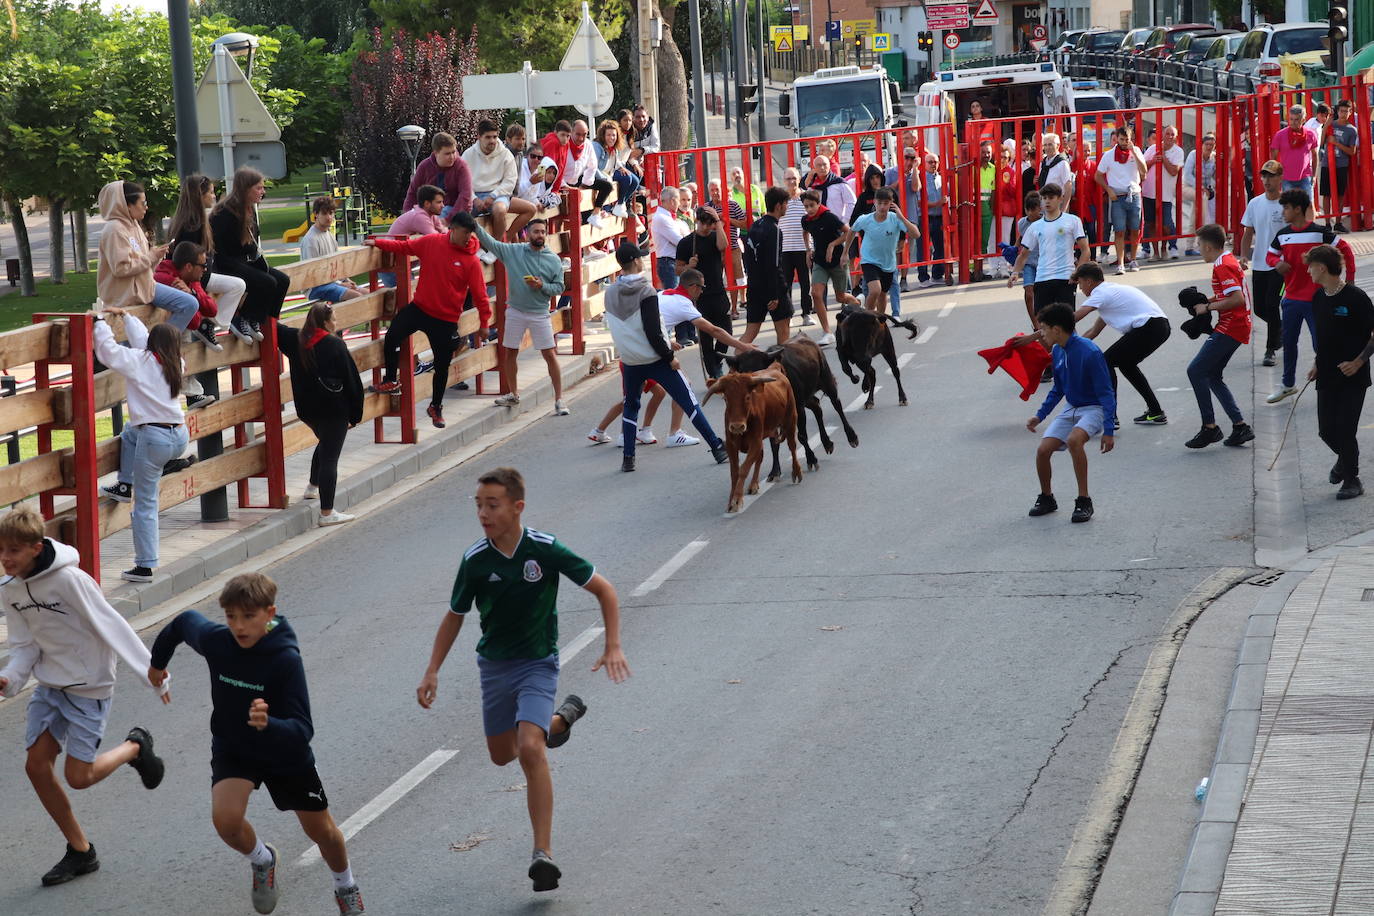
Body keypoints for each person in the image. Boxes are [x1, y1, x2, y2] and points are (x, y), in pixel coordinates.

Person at [416, 467, 629, 892]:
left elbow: (604, 589)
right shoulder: (475, 560)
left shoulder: (544, 550)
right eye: (478, 505)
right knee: (501, 754)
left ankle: (542, 855)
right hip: (494, 667)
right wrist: (433, 668)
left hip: (537, 663)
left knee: (530, 748)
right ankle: (560, 721)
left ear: (517, 507)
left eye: (492, 505)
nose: (483, 513)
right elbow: (455, 615)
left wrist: (613, 645)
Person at [148, 573, 364, 915]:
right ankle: (263, 860)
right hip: (235, 748)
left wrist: (269, 724)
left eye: (248, 616)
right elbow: (183, 623)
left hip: (286, 754)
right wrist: (157, 664)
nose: (238, 626)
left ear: (269, 613)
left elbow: (302, 727)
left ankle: (345, 885)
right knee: (226, 821)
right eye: (231, 616)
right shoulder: (218, 641)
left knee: (322, 831)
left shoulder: (285, 659)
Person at [0, 504, 167, 887]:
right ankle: (80, 850)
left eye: (13, 550)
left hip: (89, 685)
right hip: (50, 686)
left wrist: (153, 674)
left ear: (36, 547)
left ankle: (135, 747)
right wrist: (9, 678)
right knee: (36, 766)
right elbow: (24, 646)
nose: (5, 558)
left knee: (79, 777)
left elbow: (110, 624)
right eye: (1, 550)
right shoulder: (10, 591)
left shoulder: (70, 580)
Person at [590, 267, 760, 449]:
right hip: (648, 355)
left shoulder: (664, 294)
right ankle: (674, 433)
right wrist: (743, 346)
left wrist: (667, 342)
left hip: (633, 352)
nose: (702, 291)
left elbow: (653, 325)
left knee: (643, 396)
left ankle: (632, 431)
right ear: (693, 287)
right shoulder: (682, 304)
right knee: (673, 389)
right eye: (701, 288)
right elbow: (713, 330)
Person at [606, 242, 731, 471]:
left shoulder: (610, 291)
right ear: (636, 261)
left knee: (631, 404)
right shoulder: (646, 291)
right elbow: (653, 330)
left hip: (629, 358)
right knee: (688, 399)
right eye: (641, 258)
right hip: (654, 357)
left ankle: (628, 457)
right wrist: (668, 356)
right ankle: (716, 446)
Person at [365, 211, 491, 428]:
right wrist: (377, 243)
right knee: (393, 335)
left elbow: (481, 296)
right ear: (452, 229)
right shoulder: (431, 242)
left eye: (471, 234)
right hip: (420, 309)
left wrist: (484, 323)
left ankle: (436, 407)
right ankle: (391, 380)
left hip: (445, 319)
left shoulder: (471, 261)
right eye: (464, 233)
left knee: (442, 367)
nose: (468, 238)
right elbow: (404, 248)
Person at [94, 308, 190, 582]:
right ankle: (124, 484)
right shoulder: (176, 363)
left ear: (152, 344)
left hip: (155, 440)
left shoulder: (140, 361)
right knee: (129, 430)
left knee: (146, 503)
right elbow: (142, 340)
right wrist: (126, 316)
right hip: (177, 435)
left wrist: (100, 322)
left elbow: (108, 352)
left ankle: (145, 565)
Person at [1026, 302, 1116, 524]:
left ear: (1057, 329)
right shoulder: (1057, 350)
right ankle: (1047, 498)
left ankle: (1084, 500)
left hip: (1093, 407)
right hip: (1071, 408)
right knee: (1043, 450)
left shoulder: (1090, 352)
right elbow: (1058, 388)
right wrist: (1040, 415)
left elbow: (1106, 393)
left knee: (1075, 441)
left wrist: (1109, 429)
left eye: (1044, 329)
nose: (1041, 334)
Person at [1265, 188, 1356, 403]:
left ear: (1298, 209)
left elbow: (1346, 249)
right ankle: (1288, 385)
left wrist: (1350, 280)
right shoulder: (1283, 234)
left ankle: (1330, 382)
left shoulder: (1319, 232)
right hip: (1290, 300)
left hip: (1317, 301)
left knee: (1321, 344)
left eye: (1286, 208)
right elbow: (1270, 255)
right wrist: (1277, 263)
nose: (1283, 212)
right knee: (1289, 343)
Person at [277, 303, 363, 524]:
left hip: (307, 410)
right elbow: (353, 382)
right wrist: (355, 415)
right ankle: (327, 512)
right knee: (330, 458)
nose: (336, 323)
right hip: (334, 409)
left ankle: (312, 486)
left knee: (326, 443)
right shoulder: (335, 345)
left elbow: (273, 327)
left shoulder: (295, 339)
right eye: (334, 319)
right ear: (325, 322)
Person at [474, 219, 568, 415]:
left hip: (540, 313)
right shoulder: (514, 251)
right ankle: (513, 394)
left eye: (543, 231)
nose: (540, 235)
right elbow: (492, 243)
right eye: (536, 231)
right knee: (510, 352)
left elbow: (559, 287)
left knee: (549, 354)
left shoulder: (553, 259)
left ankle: (560, 399)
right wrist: (475, 227)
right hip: (515, 310)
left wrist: (542, 286)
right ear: (527, 234)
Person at [1306, 244, 1374, 499]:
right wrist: (1316, 363)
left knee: (1345, 430)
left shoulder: (1355, 298)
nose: (1308, 272)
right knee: (1326, 431)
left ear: (1322, 268)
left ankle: (1352, 479)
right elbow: (1324, 338)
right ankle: (1345, 461)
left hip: (1352, 376)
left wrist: (1358, 362)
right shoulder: (1318, 297)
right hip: (1326, 373)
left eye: (1310, 267)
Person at [1071, 261, 1171, 426]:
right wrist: (1068, 348)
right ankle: (1155, 412)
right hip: (1159, 327)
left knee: (1105, 361)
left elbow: (1073, 318)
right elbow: (1093, 332)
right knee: (1127, 365)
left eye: (1080, 283)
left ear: (1088, 281)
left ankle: (1110, 416)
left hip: (1149, 327)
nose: (1080, 288)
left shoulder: (1101, 294)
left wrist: (1041, 334)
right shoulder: (1110, 293)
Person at [1185, 224, 1254, 449]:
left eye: (1199, 245)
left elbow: (1236, 299)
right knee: (1213, 375)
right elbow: (1231, 294)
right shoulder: (1227, 260)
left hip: (1231, 326)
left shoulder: (1222, 266)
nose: (1199, 249)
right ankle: (1240, 426)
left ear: (1207, 246)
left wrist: (1208, 308)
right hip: (1237, 325)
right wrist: (1210, 301)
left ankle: (1209, 427)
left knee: (1195, 370)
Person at [96, 180, 199, 332]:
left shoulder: (134, 225)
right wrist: (151, 256)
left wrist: (156, 256)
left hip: (145, 288)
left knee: (189, 304)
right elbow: (121, 268)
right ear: (127, 205)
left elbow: (143, 264)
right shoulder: (114, 229)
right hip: (124, 295)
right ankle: (159, 345)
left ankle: (161, 343)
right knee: (129, 345)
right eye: (143, 203)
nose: (146, 207)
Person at [210, 167, 290, 344]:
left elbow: (251, 243)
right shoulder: (225, 212)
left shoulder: (249, 209)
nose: (263, 192)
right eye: (259, 188)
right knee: (267, 282)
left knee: (282, 280)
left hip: (243, 260)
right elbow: (223, 249)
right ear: (245, 188)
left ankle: (262, 321)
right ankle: (242, 319)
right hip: (226, 262)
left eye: (263, 187)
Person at [167, 173, 246, 335]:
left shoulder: (191, 220)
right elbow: (189, 260)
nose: (213, 196)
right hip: (195, 277)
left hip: (200, 274)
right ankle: (211, 324)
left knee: (238, 284)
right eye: (210, 192)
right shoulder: (193, 224)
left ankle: (212, 324)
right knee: (238, 285)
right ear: (199, 196)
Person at [1009, 182, 1088, 314]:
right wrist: (1015, 272)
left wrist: (1077, 273)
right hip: (1042, 279)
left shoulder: (1073, 221)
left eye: (1051, 198)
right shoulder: (1034, 227)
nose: (1047, 201)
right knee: (1044, 326)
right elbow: (1023, 254)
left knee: (1065, 324)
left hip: (1065, 278)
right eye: (1044, 198)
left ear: (1061, 198)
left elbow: (1085, 250)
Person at [1239, 160, 1287, 367]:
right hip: (1259, 263)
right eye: (1264, 176)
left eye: (1271, 176)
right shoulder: (1254, 203)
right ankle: (1282, 330)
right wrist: (1243, 256)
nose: (1267, 180)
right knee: (1259, 308)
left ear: (1279, 178)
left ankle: (1270, 350)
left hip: (1280, 265)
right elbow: (1247, 232)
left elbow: (1296, 233)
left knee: (1271, 304)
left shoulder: (1288, 203)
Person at [675, 206, 733, 377]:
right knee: (706, 337)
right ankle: (713, 371)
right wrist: (688, 266)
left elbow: (724, 246)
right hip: (699, 295)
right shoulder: (686, 243)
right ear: (697, 221)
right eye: (703, 223)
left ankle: (716, 361)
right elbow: (677, 269)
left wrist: (718, 223)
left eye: (710, 224)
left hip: (718, 290)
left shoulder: (716, 237)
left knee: (726, 331)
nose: (706, 227)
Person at [464, 118, 535, 244]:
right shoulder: (468, 155)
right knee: (458, 215)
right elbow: (463, 182)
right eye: (488, 137)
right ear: (479, 137)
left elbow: (510, 181)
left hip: (498, 195)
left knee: (503, 209)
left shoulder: (505, 154)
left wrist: (493, 196)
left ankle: (497, 245)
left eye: (495, 137)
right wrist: (474, 199)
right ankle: (470, 248)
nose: (492, 141)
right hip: (474, 196)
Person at [801, 189, 857, 347]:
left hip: (837, 261)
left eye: (812, 205)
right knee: (816, 294)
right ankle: (827, 332)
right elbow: (805, 233)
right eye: (806, 206)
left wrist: (832, 245)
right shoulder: (805, 220)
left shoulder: (829, 217)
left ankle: (858, 306)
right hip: (819, 261)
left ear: (819, 204)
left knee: (840, 297)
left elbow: (848, 233)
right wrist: (808, 250)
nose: (809, 209)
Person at [852, 188, 921, 315]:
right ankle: (868, 317)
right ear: (874, 202)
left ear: (891, 203)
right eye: (879, 203)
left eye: (886, 203)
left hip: (888, 263)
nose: (882, 207)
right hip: (869, 260)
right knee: (875, 290)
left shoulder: (895, 218)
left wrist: (902, 217)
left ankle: (880, 320)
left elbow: (916, 234)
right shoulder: (865, 219)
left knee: (883, 294)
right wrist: (845, 253)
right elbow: (852, 230)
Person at [741, 187, 793, 343]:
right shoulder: (774, 229)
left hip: (754, 286)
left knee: (750, 332)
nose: (787, 207)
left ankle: (735, 364)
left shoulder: (755, 226)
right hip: (773, 287)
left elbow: (750, 259)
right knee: (783, 332)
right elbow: (774, 264)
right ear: (779, 206)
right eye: (786, 203)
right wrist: (774, 294)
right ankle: (781, 366)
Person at [154, 241, 223, 356]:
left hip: (173, 337)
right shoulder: (169, 280)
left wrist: (193, 294)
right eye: (203, 266)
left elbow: (212, 310)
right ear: (189, 267)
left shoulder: (191, 280)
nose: (205, 269)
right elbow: (195, 323)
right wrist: (191, 296)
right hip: (160, 343)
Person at [1096, 126, 1147, 274]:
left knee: (1135, 229)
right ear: (1117, 139)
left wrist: (1135, 152)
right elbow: (1098, 175)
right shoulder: (1109, 155)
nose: (1125, 142)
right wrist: (1109, 189)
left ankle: (1133, 259)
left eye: (1127, 139)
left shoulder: (1136, 151)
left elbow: (1144, 171)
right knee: (1119, 231)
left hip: (1134, 194)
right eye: (1122, 139)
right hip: (1117, 196)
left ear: (1131, 139)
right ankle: (1120, 263)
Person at [379, 183, 447, 288]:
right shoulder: (419, 217)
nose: (443, 205)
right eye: (439, 202)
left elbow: (444, 233)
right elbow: (438, 239)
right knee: (404, 300)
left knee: (410, 297)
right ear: (427, 204)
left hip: (401, 264)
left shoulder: (430, 216)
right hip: (394, 267)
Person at [299, 197, 363, 303]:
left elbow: (336, 265)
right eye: (324, 213)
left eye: (331, 213)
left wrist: (347, 280)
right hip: (315, 288)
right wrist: (341, 284)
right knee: (357, 296)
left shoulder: (330, 236)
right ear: (316, 214)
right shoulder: (310, 240)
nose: (329, 217)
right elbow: (313, 275)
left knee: (366, 293)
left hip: (332, 283)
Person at [403, 131, 473, 220]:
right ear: (436, 153)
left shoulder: (461, 166)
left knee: (443, 212)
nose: (452, 157)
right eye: (447, 154)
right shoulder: (424, 167)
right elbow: (413, 193)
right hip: (429, 211)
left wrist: (448, 220)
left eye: (453, 152)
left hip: (454, 210)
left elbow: (465, 195)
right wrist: (407, 215)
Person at [1141, 126, 1185, 260]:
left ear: (1176, 137)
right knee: (1151, 223)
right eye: (1168, 133)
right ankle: (1155, 252)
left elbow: (1173, 171)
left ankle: (1165, 248)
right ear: (1163, 135)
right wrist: (1153, 160)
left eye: (1173, 134)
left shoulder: (1178, 151)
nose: (1170, 136)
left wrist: (1163, 157)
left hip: (1165, 193)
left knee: (1166, 223)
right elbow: (1141, 168)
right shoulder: (1151, 149)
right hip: (1148, 191)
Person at [706, 178, 748, 317]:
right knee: (715, 280)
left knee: (734, 279)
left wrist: (727, 219)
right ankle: (720, 309)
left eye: (717, 189)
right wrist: (717, 221)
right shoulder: (707, 208)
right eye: (712, 190)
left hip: (733, 248)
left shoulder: (733, 205)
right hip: (714, 249)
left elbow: (744, 224)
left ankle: (734, 309)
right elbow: (702, 227)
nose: (715, 192)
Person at [563, 120, 615, 229]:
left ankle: (595, 214)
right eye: (578, 134)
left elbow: (592, 166)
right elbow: (555, 167)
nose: (581, 138)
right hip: (562, 183)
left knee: (607, 186)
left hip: (579, 180)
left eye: (584, 134)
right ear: (571, 132)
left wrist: (585, 184)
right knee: (564, 215)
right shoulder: (563, 144)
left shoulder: (587, 144)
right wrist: (563, 185)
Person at [778, 168, 813, 325]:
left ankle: (807, 314)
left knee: (806, 283)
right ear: (784, 180)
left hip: (803, 248)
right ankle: (788, 315)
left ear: (799, 179)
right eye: (788, 178)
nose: (791, 181)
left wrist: (810, 248)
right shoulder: (780, 199)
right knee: (786, 284)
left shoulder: (806, 197)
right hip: (785, 249)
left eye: (794, 178)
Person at [1321, 100, 1358, 233]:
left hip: (1341, 165)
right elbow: (1321, 141)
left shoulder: (1352, 130)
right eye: (1341, 111)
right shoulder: (1331, 124)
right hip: (1327, 163)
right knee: (1326, 194)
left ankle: (1337, 222)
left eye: (1346, 111)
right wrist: (1326, 125)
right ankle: (1326, 223)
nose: (1343, 114)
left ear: (1350, 112)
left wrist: (1336, 143)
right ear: (1337, 111)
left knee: (1340, 194)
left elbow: (1352, 152)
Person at [592, 119, 639, 221]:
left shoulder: (614, 149)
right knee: (626, 178)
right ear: (603, 135)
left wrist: (621, 167)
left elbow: (615, 162)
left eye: (614, 135)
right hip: (599, 177)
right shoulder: (597, 147)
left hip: (609, 175)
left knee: (634, 180)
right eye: (608, 135)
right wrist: (606, 178)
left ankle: (620, 204)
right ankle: (615, 206)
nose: (611, 138)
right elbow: (593, 167)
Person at [1269, 104, 1319, 196]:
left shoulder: (1311, 134)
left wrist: (1314, 176)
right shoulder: (1280, 135)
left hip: (1305, 177)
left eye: (1296, 120)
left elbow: (1315, 155)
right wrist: (1276, 176)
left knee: (1308, 207)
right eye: (1291, 119)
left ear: (1303, 120)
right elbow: (1273, 158)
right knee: (1289, 208)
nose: (1293, 122)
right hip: (1286, 178)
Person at [914, 152, 946, 288]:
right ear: (924, 164)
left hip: (939, 217)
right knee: (922, 248)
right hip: (924, 218)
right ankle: (923, 277)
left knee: (940, 247)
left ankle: (937, 275)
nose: (934, 164)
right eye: (930, 162)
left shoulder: (940, 178)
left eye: (936, 162)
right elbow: (919, 202)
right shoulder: (921, 178)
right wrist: (938, 203)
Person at [1182, 133, 1217, 255]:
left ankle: (1190, 246)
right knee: (1202, 204)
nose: (1209, 147)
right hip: (1188, 187)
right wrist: (1201, 188)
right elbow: (1187, 175)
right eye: (1207, 144)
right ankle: (1201, 239)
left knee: (1196, 212)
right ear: (1201, 145)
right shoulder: (1194, 154)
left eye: (1212, 145)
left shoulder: (1214, 157)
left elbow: (1216, 177)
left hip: (1204, 191)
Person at [1015, 192, 1043, 329]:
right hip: (1029, 263)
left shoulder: (1046, 222)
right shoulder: (1022, 223)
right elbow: (1021, 238)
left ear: (1040, 208)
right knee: (1029, 291)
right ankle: (1035, 323)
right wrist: (1013, 249)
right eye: (1028, 209)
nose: (1031, 212)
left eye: (1034, 209)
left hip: (1044, 263)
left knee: (1042, 294)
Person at [650, 187, 686, 291]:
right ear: (673, 201)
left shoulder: (665, 217)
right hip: (668, 263)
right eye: (679, 200)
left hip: (670, 262)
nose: (679, 204)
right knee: (674, 295)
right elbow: (679, 241)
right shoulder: (662, 218)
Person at [806, 155, 856, 222]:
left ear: (829, 166)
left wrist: (844, 221)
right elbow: (807, 207)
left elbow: (852, 202)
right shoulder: (812, 186)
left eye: (825, 164)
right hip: (818, 226)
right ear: (814, 168)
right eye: (819, 165)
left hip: (837, 226)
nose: (822, 167)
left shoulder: (839, 183)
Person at [1036, 133, 1074, 206]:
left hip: (1057, 203)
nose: (1047, 147)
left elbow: (1068, 187)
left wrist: (1064, 209)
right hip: (1044, 202)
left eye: (1050, 144)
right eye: (1045, 145)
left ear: (1058, 145)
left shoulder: (1062, 163)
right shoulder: (1043, 163)